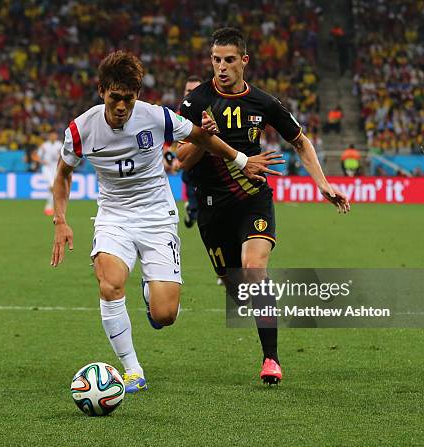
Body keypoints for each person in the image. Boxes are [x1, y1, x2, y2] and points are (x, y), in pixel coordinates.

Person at [50, 50, 281, 394]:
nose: (121, 107)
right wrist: (60, 220)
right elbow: (63, 174)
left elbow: (200, 138)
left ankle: (149, 294)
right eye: (115, 98)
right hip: (114, 216)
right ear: (101, 91)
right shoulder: (81, 129)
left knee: (165, 315)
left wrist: (240, 158)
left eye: (128, 99)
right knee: (110, 283)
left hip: (157, 217)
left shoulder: (157, 117)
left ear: (137, 95)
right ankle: (132, 370)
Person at [178, 28, 350, 385]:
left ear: (244, 61)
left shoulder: (263, 102)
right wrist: (203, 137)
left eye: (228, 60)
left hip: (253, 199)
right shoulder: (196, 103)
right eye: (215, 60)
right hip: (212, 207)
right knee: (234, 285)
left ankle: (271, 359)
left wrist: (323, 184)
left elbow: (300, 142)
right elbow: (182, 160)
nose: (221, 67)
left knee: (254, 270)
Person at [179, 75, 203, 228]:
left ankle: (192, 210)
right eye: (188, 91)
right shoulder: (179, 116)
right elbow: (178, 152)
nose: (191, 94)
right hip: (193, 168)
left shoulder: (215, 112)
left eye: (195, 91)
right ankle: (193, 211)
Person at [36, 131, 62, 215]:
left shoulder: (59, 145)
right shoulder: (44, 145)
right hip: (46, 168)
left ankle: (50, 206)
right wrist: (42, 161)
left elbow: (64, 155)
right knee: (52, 186)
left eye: (54, 135)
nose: (53, 137)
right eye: (51, 135)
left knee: (54, 187)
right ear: (49, 136)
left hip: (55, 167)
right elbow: (37, 156)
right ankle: (49, 206)